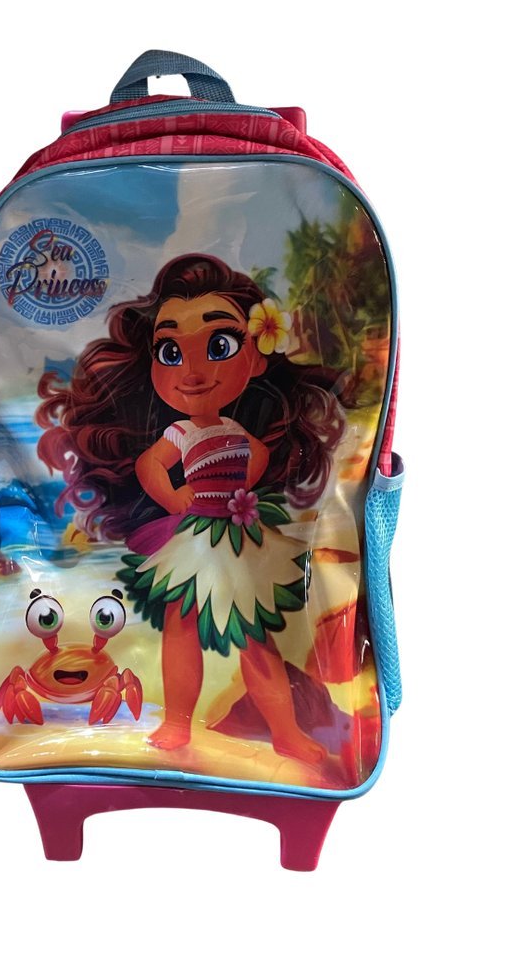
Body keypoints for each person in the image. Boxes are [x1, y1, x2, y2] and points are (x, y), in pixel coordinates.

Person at [37, 254, 346, 763]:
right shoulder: (180, 431)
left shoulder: (234, 428)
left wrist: (242, 490)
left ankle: (285, 730)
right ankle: (178, 721)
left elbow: (258, 455)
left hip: (237, 533)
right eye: (171, 351)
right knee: (183, 625)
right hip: (198, 534)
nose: (193, 370)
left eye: (220, 345)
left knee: (255, 635)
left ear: (258, 358)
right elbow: (150, 466)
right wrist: (178, 499)